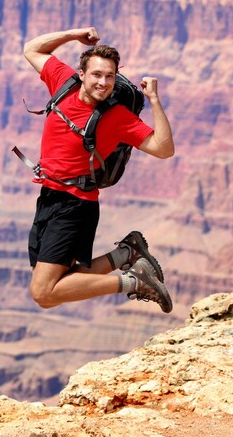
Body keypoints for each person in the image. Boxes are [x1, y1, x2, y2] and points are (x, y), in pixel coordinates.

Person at [20, 26, 175, 312]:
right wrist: (75, 34)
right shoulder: (63, 82)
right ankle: (127, 253)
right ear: (81, 74)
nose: (103, 83)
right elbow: (32, 48)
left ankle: (136, 281)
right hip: (49, 197)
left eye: (110, 76)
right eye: (96, 74)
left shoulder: (117, 117)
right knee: (58, 284)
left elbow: (164, 149)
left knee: (43, 292)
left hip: (75, 205)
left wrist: (154, 100)